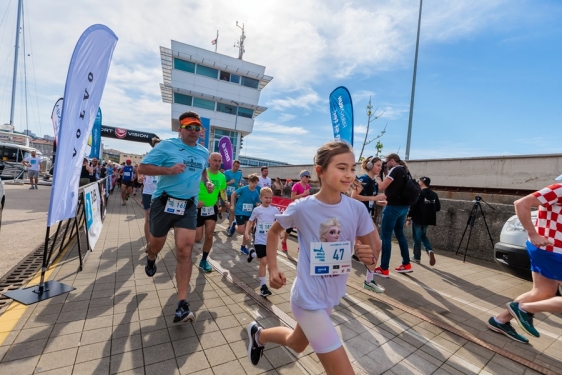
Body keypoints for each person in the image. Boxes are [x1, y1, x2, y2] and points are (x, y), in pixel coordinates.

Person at [246, 140, 381, 375]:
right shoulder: (302, 207)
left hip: (330, 298)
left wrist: (367, 256)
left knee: (296, 343)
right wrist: (273, 268)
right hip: (307, 299)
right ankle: (259, 335)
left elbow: (374, 252)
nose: (349, 175)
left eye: (352, 168)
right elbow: (273, 232)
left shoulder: (357, 209)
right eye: (341, 167)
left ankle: (258, 335)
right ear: (320, 171)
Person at [137, 111, 214, 324]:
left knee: (185, 249)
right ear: (180, 129)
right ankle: (151, 256)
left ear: (201, 131)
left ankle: (181, 305)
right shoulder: (167, 146)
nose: (193, 131)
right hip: (164, 202)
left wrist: (206, 181)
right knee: (156, 245)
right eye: (188, 127)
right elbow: (142, 168)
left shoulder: (203, 151)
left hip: (188, 205)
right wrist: (168, 171)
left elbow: (202, 170)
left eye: (197, 127)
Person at [487, 181, 562, 344]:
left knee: (542, 293)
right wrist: (532, 233)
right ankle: (525, 309)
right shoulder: (560, 189)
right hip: (551, 251)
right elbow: (521, 203)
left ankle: (500, 320)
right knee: (543, 293)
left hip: (551, 251)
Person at [372, 153, 413, 278]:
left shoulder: (395, 169)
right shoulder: (406, 171)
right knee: (400, 233)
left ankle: (384, 268)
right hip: (404, 208)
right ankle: (406, 264)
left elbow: (381, 186)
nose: (385, 164)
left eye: (386, 161)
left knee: (385, 236)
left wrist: (378, 176)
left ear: (393, 161)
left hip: (393, 208)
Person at [351, 156, 387, 292]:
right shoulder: (363, 179)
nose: (380, 168)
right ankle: (369, 280)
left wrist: (378, 202)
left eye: (381, 165)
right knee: (376, 246)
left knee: (375, 247)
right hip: (360, 217)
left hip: (366, 216)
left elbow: (369, 200)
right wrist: (374, 198)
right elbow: (354, 197)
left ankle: (369, 280)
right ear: (371, 165)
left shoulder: (375, 182)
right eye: (378, 165)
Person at [244, 187, 281, 297]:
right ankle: (263, 287)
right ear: (260, 198)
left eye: (270, 198)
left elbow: (280, 222)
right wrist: (247, 233)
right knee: (264, 261)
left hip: (271, 241)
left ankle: (252, 254)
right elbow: (250, 222)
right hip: (259, 239)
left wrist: (282, 233)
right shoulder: (257, 210)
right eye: (266, 198)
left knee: (264, 260)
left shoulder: (274, 210)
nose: (268, 200)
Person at [195, 152, 228, 273]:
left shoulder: (222, 177)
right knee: (198, 237)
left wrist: (226, 201)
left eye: (219, 161)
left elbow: (223, 191)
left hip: (211, 208)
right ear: (209, 161)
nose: (217, 163)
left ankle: (204, 260)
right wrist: (195, 200)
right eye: (215, 160)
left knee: (209, 235)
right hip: (197, 208)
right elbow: (191, 187)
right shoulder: (202, 173)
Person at [406, 177, 440, 266]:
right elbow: (438, 207)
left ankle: (417, 257)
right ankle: (429, 250)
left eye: (419, 181)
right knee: (423, 236)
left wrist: (409, 218)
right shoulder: (434, 194)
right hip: (428, 219)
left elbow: (413, 206)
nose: (418, 182)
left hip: (418, 218)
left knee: (417, 238)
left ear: (423, 182)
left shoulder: (419, 193)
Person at [227, 173, 261, 255]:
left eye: (256, 183)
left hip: (249, 214)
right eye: (252, 182)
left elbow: (258, 202)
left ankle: (243, 247)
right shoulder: (243, 189)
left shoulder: (256, 192)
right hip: (240, 212)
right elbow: (233, 194)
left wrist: (258, 205)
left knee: (247, 231)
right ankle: (235, 224)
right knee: (242, 231)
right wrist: (232, 205)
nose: (254, 184)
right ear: (249, 182)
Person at [281, 170, 311, 252]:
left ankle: (301, 245)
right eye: (306, 176)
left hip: (304, 210)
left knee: (303, 228)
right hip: (296, 209)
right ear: (302, 177)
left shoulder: (308, 186)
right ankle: (283, 241)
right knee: (290, 228)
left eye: (309, 177)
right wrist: (303, 194)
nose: (308, 178)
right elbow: (292, 197)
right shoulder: (296, 185)